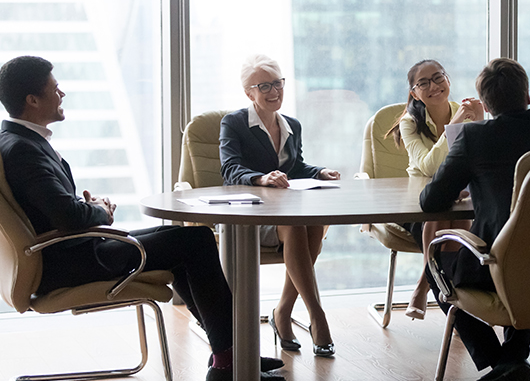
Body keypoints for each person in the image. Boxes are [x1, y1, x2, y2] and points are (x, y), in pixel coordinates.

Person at [0, 56, 285, 381]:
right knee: (196, 240)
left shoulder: (19, 141)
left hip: (72, 250)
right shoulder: (24, 149)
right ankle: (230, 358)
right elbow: (68, 217)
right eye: (55, 88)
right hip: (71, 260)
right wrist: (100, 211)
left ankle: (230, 354)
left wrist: (87, 209)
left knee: (185, 242)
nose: (62, 94)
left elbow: (53, 209)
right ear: (32, 100)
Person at [420, 58, 530, 381]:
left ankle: (502, 362)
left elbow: (430, 201)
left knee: (434, 269)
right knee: (527, 252)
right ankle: (514, 357)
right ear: (527, 95)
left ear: (487, 105)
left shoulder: (474, 138)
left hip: (495, 265)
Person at [219, 54, 339, 357]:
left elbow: (295, 168)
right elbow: (230, 169)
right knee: (297, 224)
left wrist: (319, 172)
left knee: (314, 223)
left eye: (278, 83)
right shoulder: (234, 123)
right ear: (249, 93)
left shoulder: (292, 126)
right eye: (264, 86)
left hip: (286, 215)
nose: (274, 92)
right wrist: (261, 178)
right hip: (248, 219)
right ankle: (317, 316)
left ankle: (283, 312)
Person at [387, 59, 481, 320]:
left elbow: (477, 160)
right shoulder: (409, 122)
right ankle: (457, 308)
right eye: (423, 83)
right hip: (417, 203)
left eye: (438, 77)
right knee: (445, 219)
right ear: (414, 93)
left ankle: (427, 285)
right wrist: (456, 125)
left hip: (459, 198)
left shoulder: (467, 111)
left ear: (448, 80)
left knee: (454, 219)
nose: (434, 86)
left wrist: (478, 120)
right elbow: (429, 167)